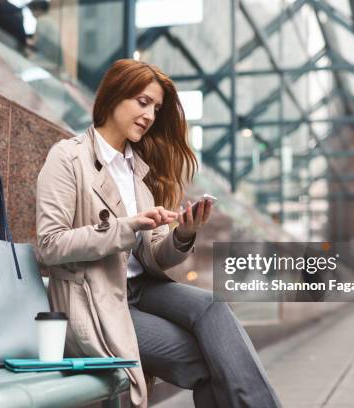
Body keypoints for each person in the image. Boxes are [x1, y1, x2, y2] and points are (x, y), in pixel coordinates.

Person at [36, 59, 281, 408]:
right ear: (113, 97)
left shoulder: (139, 171)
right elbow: (50, 245)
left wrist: (182, 234)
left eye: (156, 107)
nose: (150, 115)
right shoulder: (68, 158)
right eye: (142, 101)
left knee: (212, 305)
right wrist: (129, 225)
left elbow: (153, 254)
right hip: (95, 298)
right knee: (210, 361)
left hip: (141, 290)